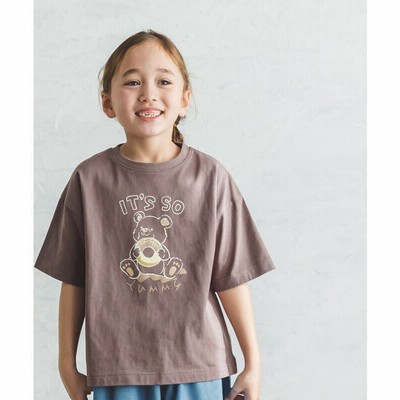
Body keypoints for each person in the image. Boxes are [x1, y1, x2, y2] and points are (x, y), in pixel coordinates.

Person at [34, 29, 276, 400]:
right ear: (107, 102)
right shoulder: (89, 180)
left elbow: (231, 278)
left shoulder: (211, 178)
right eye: (132, 82)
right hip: (118, 370)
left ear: (184, 99)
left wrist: (253, 362)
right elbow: (74, 280)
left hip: (200, 366)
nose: (148, 93)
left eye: (163, 81)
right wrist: (66, 363)